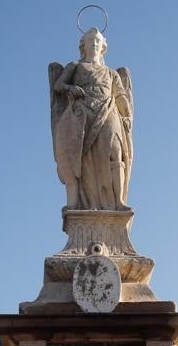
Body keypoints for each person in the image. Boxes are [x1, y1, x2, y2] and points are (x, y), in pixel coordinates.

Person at [48, 27, 134, 211]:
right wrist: (70, 89)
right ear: (83, 45)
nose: (94, 44)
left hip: (108, 110)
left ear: (103, 46)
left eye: (97, 41)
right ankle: (82, 201)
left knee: (115, 150)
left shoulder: (111, 73)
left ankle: (118, 201)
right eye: (90, 40)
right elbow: (58, 85)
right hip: (82, 114)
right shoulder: (75, 66)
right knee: (82, 156)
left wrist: (126, 115)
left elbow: (120, 95)